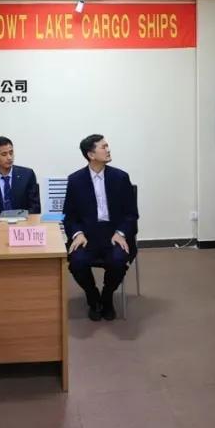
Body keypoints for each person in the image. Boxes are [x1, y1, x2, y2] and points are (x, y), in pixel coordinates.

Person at [63, 135, 138, 322]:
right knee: (77, 261)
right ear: (91, 154)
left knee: (118, 260)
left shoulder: (120, 177)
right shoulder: (75, 180)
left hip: (114, 233)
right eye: (103, 147)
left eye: (107, 146)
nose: (108, 150)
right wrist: (77, 234)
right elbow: (70, 216)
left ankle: (107, 296)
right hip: (87, 235)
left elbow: (131, 214)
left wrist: (121, 233)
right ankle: (92, 296)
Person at [0, 136, 41, 215]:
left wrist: (18, 217)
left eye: (11, 153)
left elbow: (35, 208)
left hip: (23, 221)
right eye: (4, 154)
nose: (9, 157)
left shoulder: (27, 175)